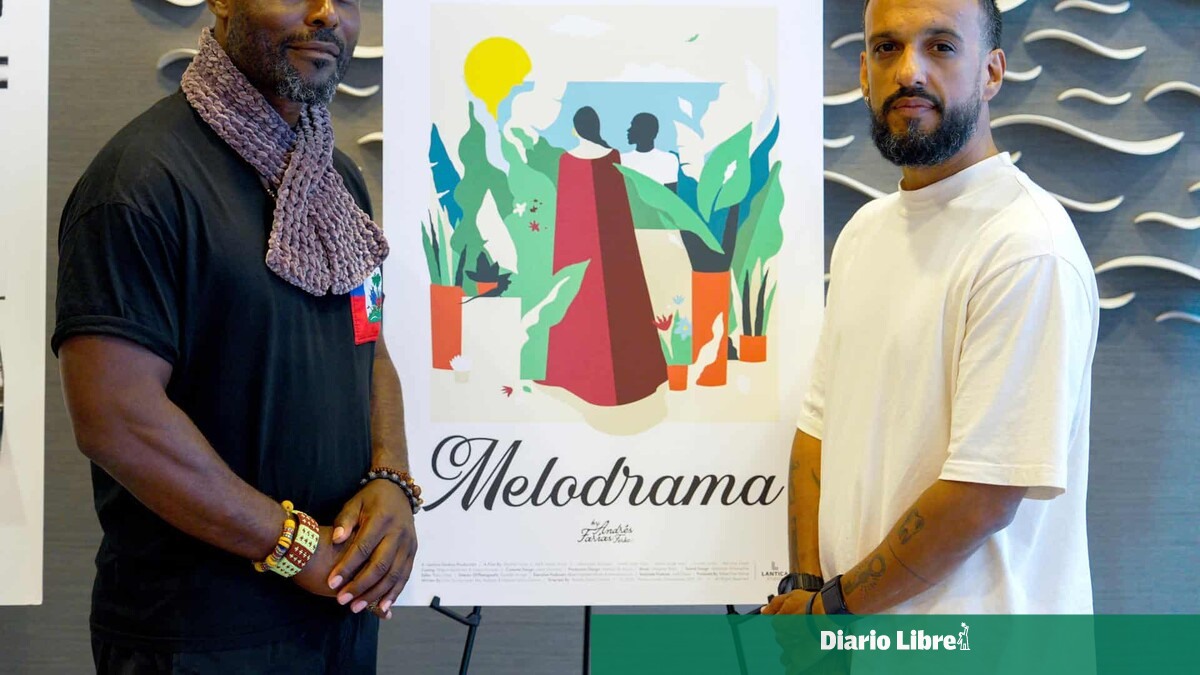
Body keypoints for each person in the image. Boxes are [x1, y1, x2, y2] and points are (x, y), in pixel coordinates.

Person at [53, 1, 418, 671]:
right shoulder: (140, 179)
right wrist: (296, 547)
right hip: (198, 638)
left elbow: (368, 342)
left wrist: (390, 474)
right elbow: (116, 419)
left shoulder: (335, 180)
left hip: (336, 623)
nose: (327, 13)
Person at [766, 0, 1097, 616]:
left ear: (991, 72)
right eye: (887, 48)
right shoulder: (865, 233)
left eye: (941, 47)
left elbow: (981, 497)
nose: (908, 72)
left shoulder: (1026, 245)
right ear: (864, 72)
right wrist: (806, 591)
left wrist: (826, 612)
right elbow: (817, 431)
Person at [540, 106, 667, 406]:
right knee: (621, 304)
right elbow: (616, 211)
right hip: (615, 250)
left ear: (576, 129)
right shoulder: (612, 157)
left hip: (577, 252)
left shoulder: (567, 161)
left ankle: (574, 375)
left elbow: (568, 218)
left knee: (578, 303)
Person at [620, 112, 679, 188]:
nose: (629, 130)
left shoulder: (668, 159)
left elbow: (670, 193)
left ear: (645, 131)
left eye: (634, 126)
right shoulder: (622, 159)